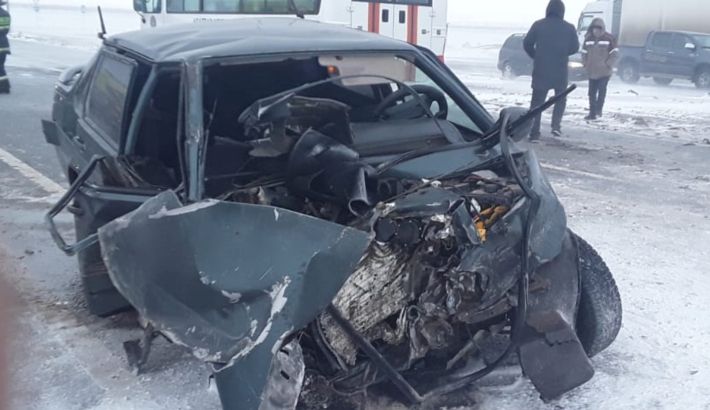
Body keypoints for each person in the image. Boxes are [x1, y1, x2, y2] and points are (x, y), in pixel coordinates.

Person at [523, 0, 579, 140]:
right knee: (560, 98)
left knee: (537, 102)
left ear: (548, 10)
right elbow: (575, 47)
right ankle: (556, 127)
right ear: (562, 11)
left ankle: (534, 133)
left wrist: (536, 55)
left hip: (541, 69)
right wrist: (563, 52)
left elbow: (527, 43)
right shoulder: (569, 28)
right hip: (560, 69)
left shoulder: (538, 25)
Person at [582, 18, 618, 120]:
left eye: (598, 28)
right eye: (594, 28)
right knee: (591, 93)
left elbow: (614, 53)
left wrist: (608, 64)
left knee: (601, 91)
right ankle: (592, 113)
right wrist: (585, 64)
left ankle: (598, 110)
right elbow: (584, 53)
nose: (595, 31)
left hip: (604, 72)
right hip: (592, 71)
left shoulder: (609, 38)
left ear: (602, 29)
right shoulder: (588, 39)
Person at [0, 0, 9, 94]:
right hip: (4, 44)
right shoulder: (5, 13)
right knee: (1, 66)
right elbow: (5, 30)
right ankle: (5, 86)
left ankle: (4, 86)